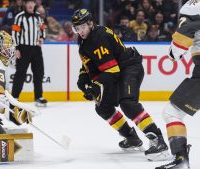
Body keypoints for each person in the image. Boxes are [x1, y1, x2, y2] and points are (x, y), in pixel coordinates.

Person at [72, 9, 169, 161]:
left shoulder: (99, 37)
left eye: (82, 27)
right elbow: (90, 64)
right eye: (77, 28)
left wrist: (96, 85)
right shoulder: (85, 41)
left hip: (129, 67)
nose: (80, 31)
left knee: (127, 103)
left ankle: (158, 140)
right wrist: (83, 78)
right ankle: (131, 137)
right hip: (117, 71)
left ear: (90, 24)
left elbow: (112, 70)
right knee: (102, 107)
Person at [156, 1, 200, 169]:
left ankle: (181, 159)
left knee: (172, 112)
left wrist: (173, 52)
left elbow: (179, 45)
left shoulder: (193, 5)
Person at [11, 0, 47, 107]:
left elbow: (42, 29)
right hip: (23, 48)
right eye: (28, 2)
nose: (31, 5)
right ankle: (15, 97)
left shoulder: (38, 17)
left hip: (36, 49)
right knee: (20, 74)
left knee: (39, 73)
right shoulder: (19, 17)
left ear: (35, 4)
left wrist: (42, 38)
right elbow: (14, 33)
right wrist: (16, 48)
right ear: (25, 5)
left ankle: (38, 97)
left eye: (32, 2)